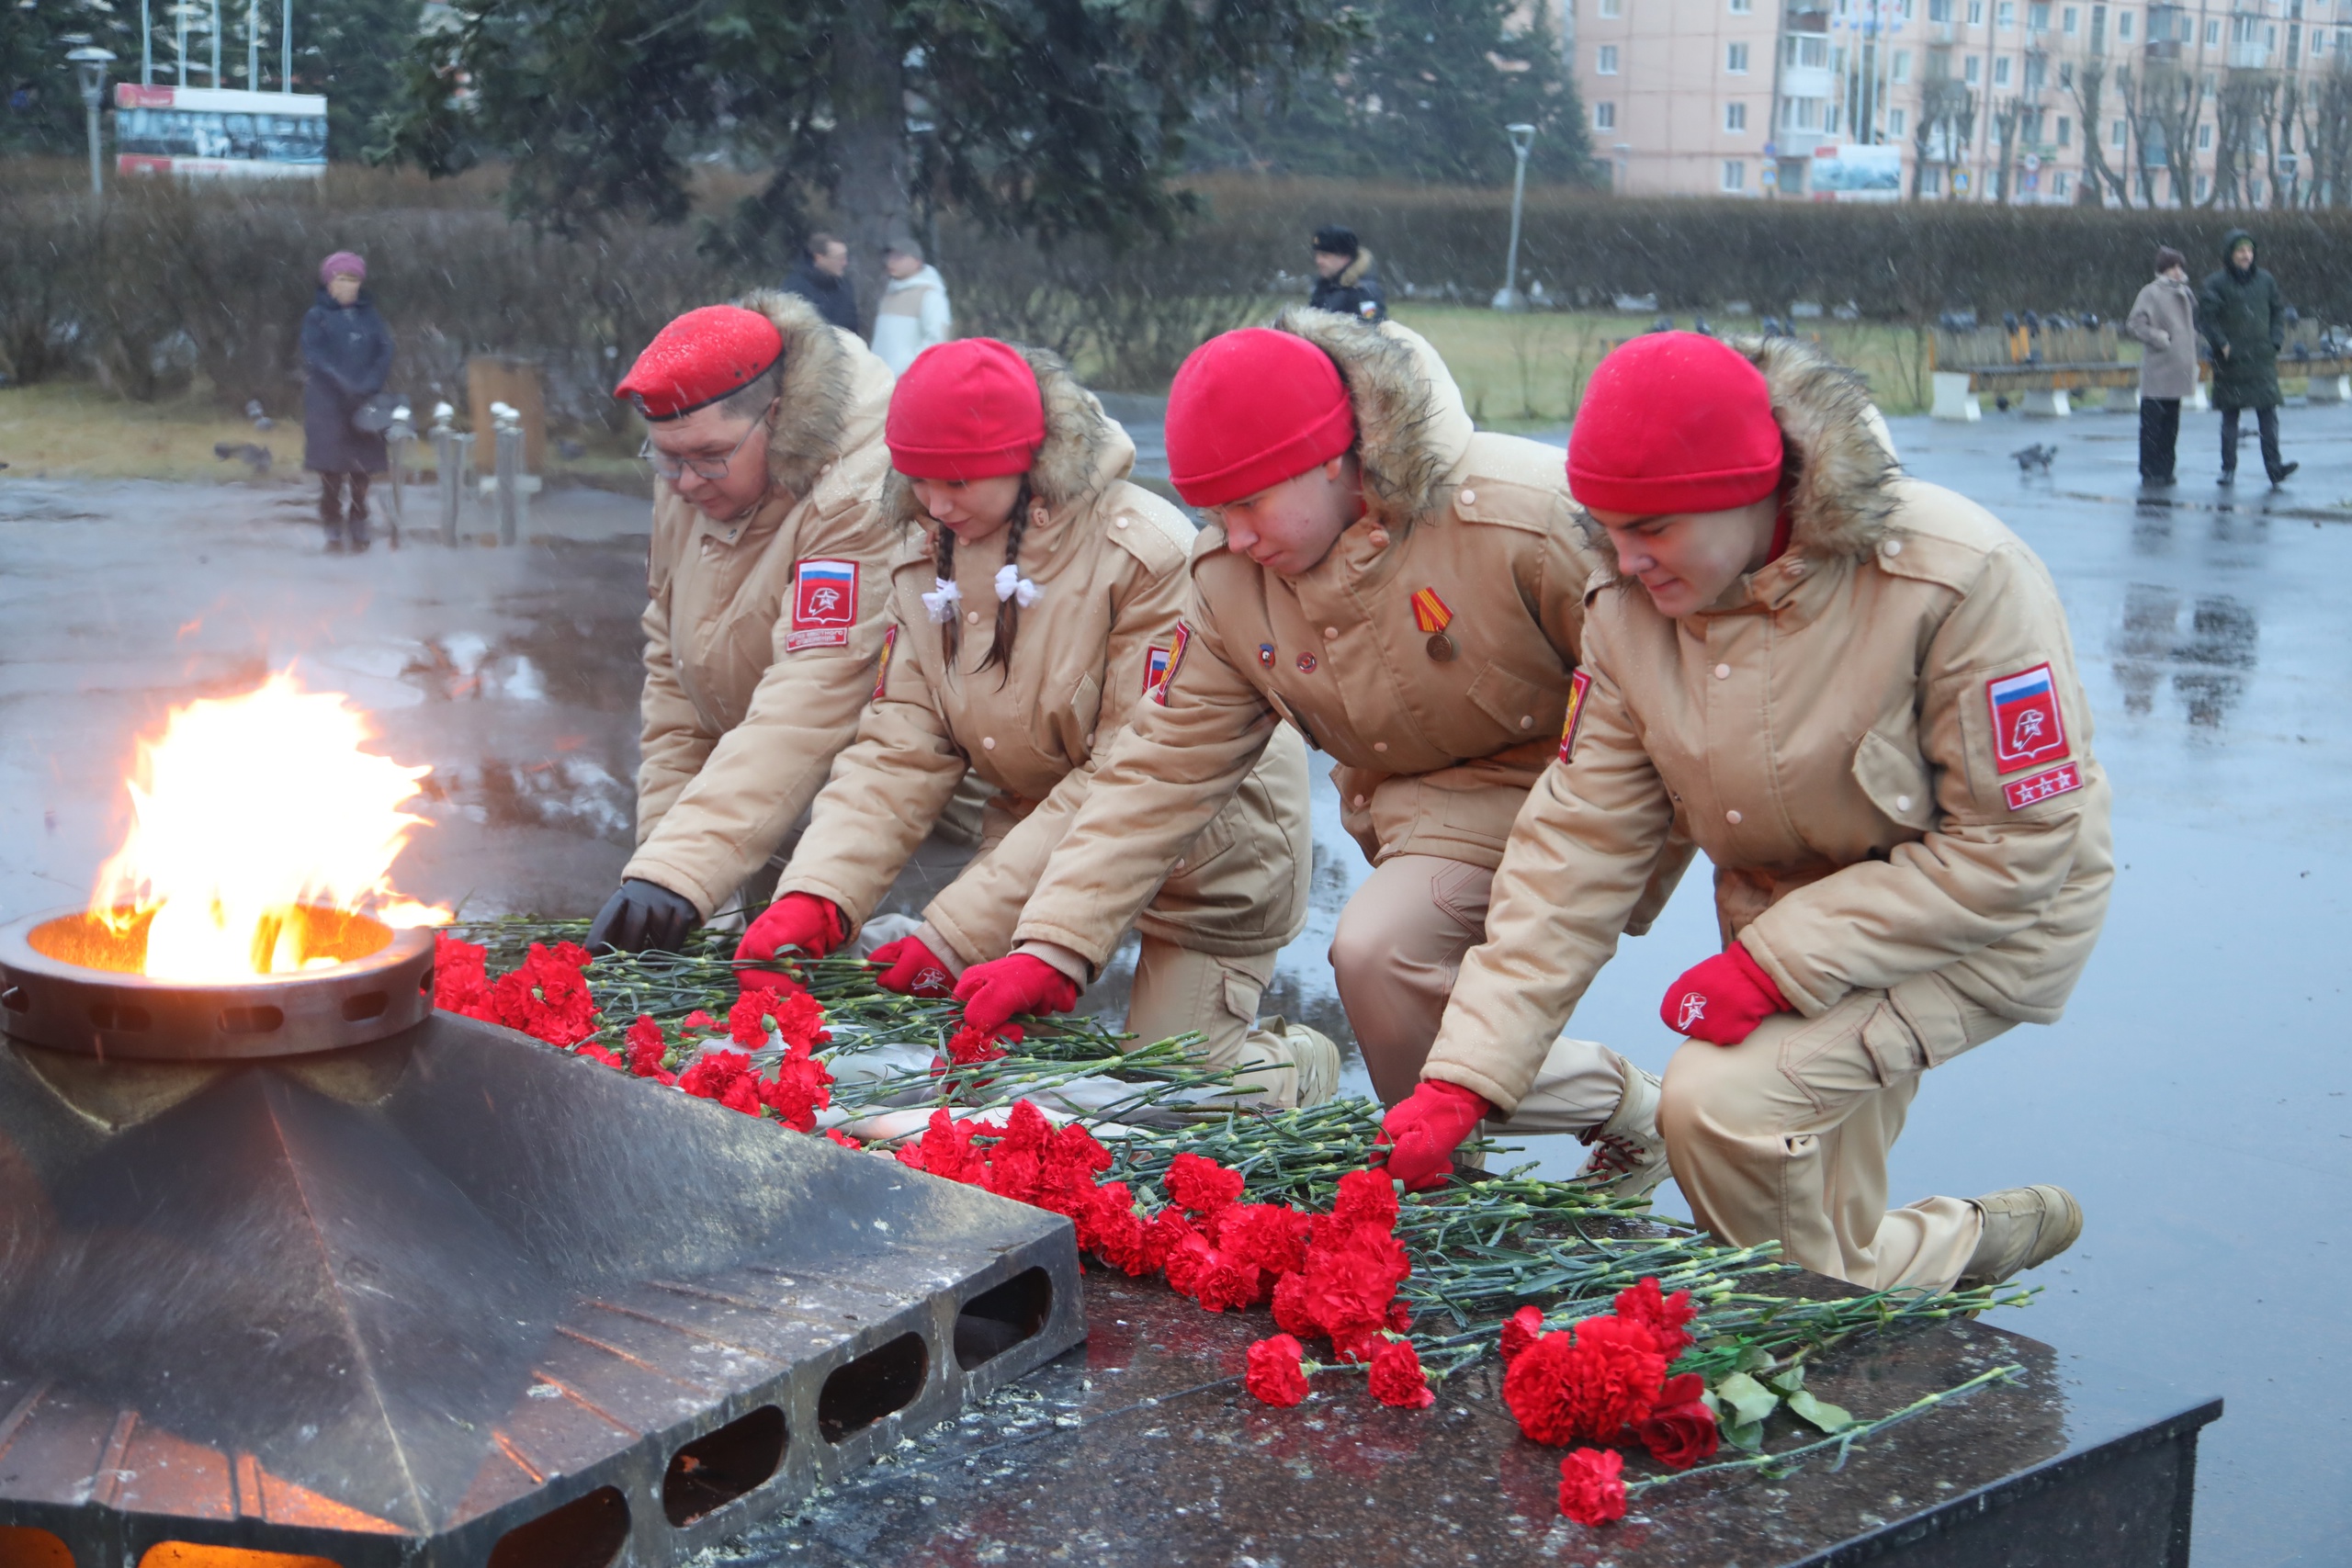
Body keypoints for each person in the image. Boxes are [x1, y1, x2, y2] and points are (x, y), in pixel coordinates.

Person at [1397, 332, 2111, 1294]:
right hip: (1796, 927)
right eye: (1607, 527)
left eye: (1651, 526)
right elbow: (1577, 843)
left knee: (1718, 1107)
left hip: (1982, 920)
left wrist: (1772, 965)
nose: (1624, 559)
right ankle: (1959, 1249)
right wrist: (1468, 1073)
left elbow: (2016, 846)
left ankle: (1813, 1338)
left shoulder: (1955, 574)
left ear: (1757, 487)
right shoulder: (1624, 606)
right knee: (1808, 1218)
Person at [945, 309, 1689, 1192]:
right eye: (1215, 508)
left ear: (1337, 457)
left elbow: (1661, 684)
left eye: (1253, 501)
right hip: (1421, 806)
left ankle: (1629, 1114)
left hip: (1572, 780)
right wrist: (1054, 941)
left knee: (1377, 952)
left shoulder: (1522, 517)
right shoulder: (1231, 581)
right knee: (1392, 994)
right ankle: (1466, 1175)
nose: (1237, 534)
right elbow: (1161, 767)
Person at [742, 339, 1338, 1104]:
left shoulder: (1144, 554)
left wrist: (956, 933)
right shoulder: (926, 555)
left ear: (1029, 460)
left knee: (1166, 1096)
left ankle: (1292, 1071)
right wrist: (818, 891)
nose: (937, 504)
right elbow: (900, 745)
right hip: (1040, 830)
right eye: (918, 479)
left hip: (1203, 847)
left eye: (958, 481)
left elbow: (1129, 771)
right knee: (990, 1073)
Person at [585, 292, 901, 953]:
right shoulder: (689, 472)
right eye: (664, 457)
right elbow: (676, 677)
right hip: (757, 801)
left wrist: (682, 872)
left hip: (882, 819)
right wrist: (665, 865)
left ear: (777, 418)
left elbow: (814, 697)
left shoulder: (858, 492)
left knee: (876, 1042)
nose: (684, 484)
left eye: (707, 456)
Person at [300, 252, 393, 553]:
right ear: (329, 283)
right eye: (342, 279)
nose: (348, 286)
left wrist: (370, 382)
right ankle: (331, 521)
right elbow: (314, 355)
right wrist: (342, 383)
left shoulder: (370, 316)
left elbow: (385, 350)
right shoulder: (317, 317)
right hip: (327, 404)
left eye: (354, 280)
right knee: (330, 469)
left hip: (365, 402)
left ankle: (358, 517)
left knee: (361, 467)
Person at [2199, 228, 2297, 487]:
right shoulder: (2215, 284)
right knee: (2230, 417)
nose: (2246, 255)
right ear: (2230, 254)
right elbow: (2207, 319)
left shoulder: (2266, 281)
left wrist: (2275, 340)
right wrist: (2222, 344)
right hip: (2231, 360)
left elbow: (2277, 311)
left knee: (2268, 416)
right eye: (2241, 251)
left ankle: (2274, 468)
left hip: (2261, 359)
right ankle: (2228, 469)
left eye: (2249, 250)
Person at [2126, 245, 2197, 487]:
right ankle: (2149, 470)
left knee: (2171, 425)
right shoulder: (2151, 292)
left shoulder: (2186, 292)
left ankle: (2166, 469)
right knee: (2152, 425)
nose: (2177, 272)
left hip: (2178, 370)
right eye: (2172, 267)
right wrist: (2159, 338)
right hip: (2159, 369)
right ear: (2162, 270)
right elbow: (2135, 323)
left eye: (2179, 267)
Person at [871, 237, 952, 377]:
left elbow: (937, 340)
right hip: (880, 383)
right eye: (890, 256)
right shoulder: (889, 294)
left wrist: (906, 370)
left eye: (899, 256)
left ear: (917, 262)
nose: (891, 261)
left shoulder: (930, 295)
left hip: (909, 383)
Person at [780, 231, 860, 337]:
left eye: (846, 257)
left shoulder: (845, 286)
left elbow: (851, 327)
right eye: (839, 258)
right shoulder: (794, 287)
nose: (845, 263)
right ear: (819, 258)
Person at [1308, 227, 1385, 323]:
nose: (1318, 261)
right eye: (1317, 255)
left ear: (1345, 257)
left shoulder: (1364, 292)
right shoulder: (1325, 286)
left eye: (1324, 256)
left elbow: (1371, 328)